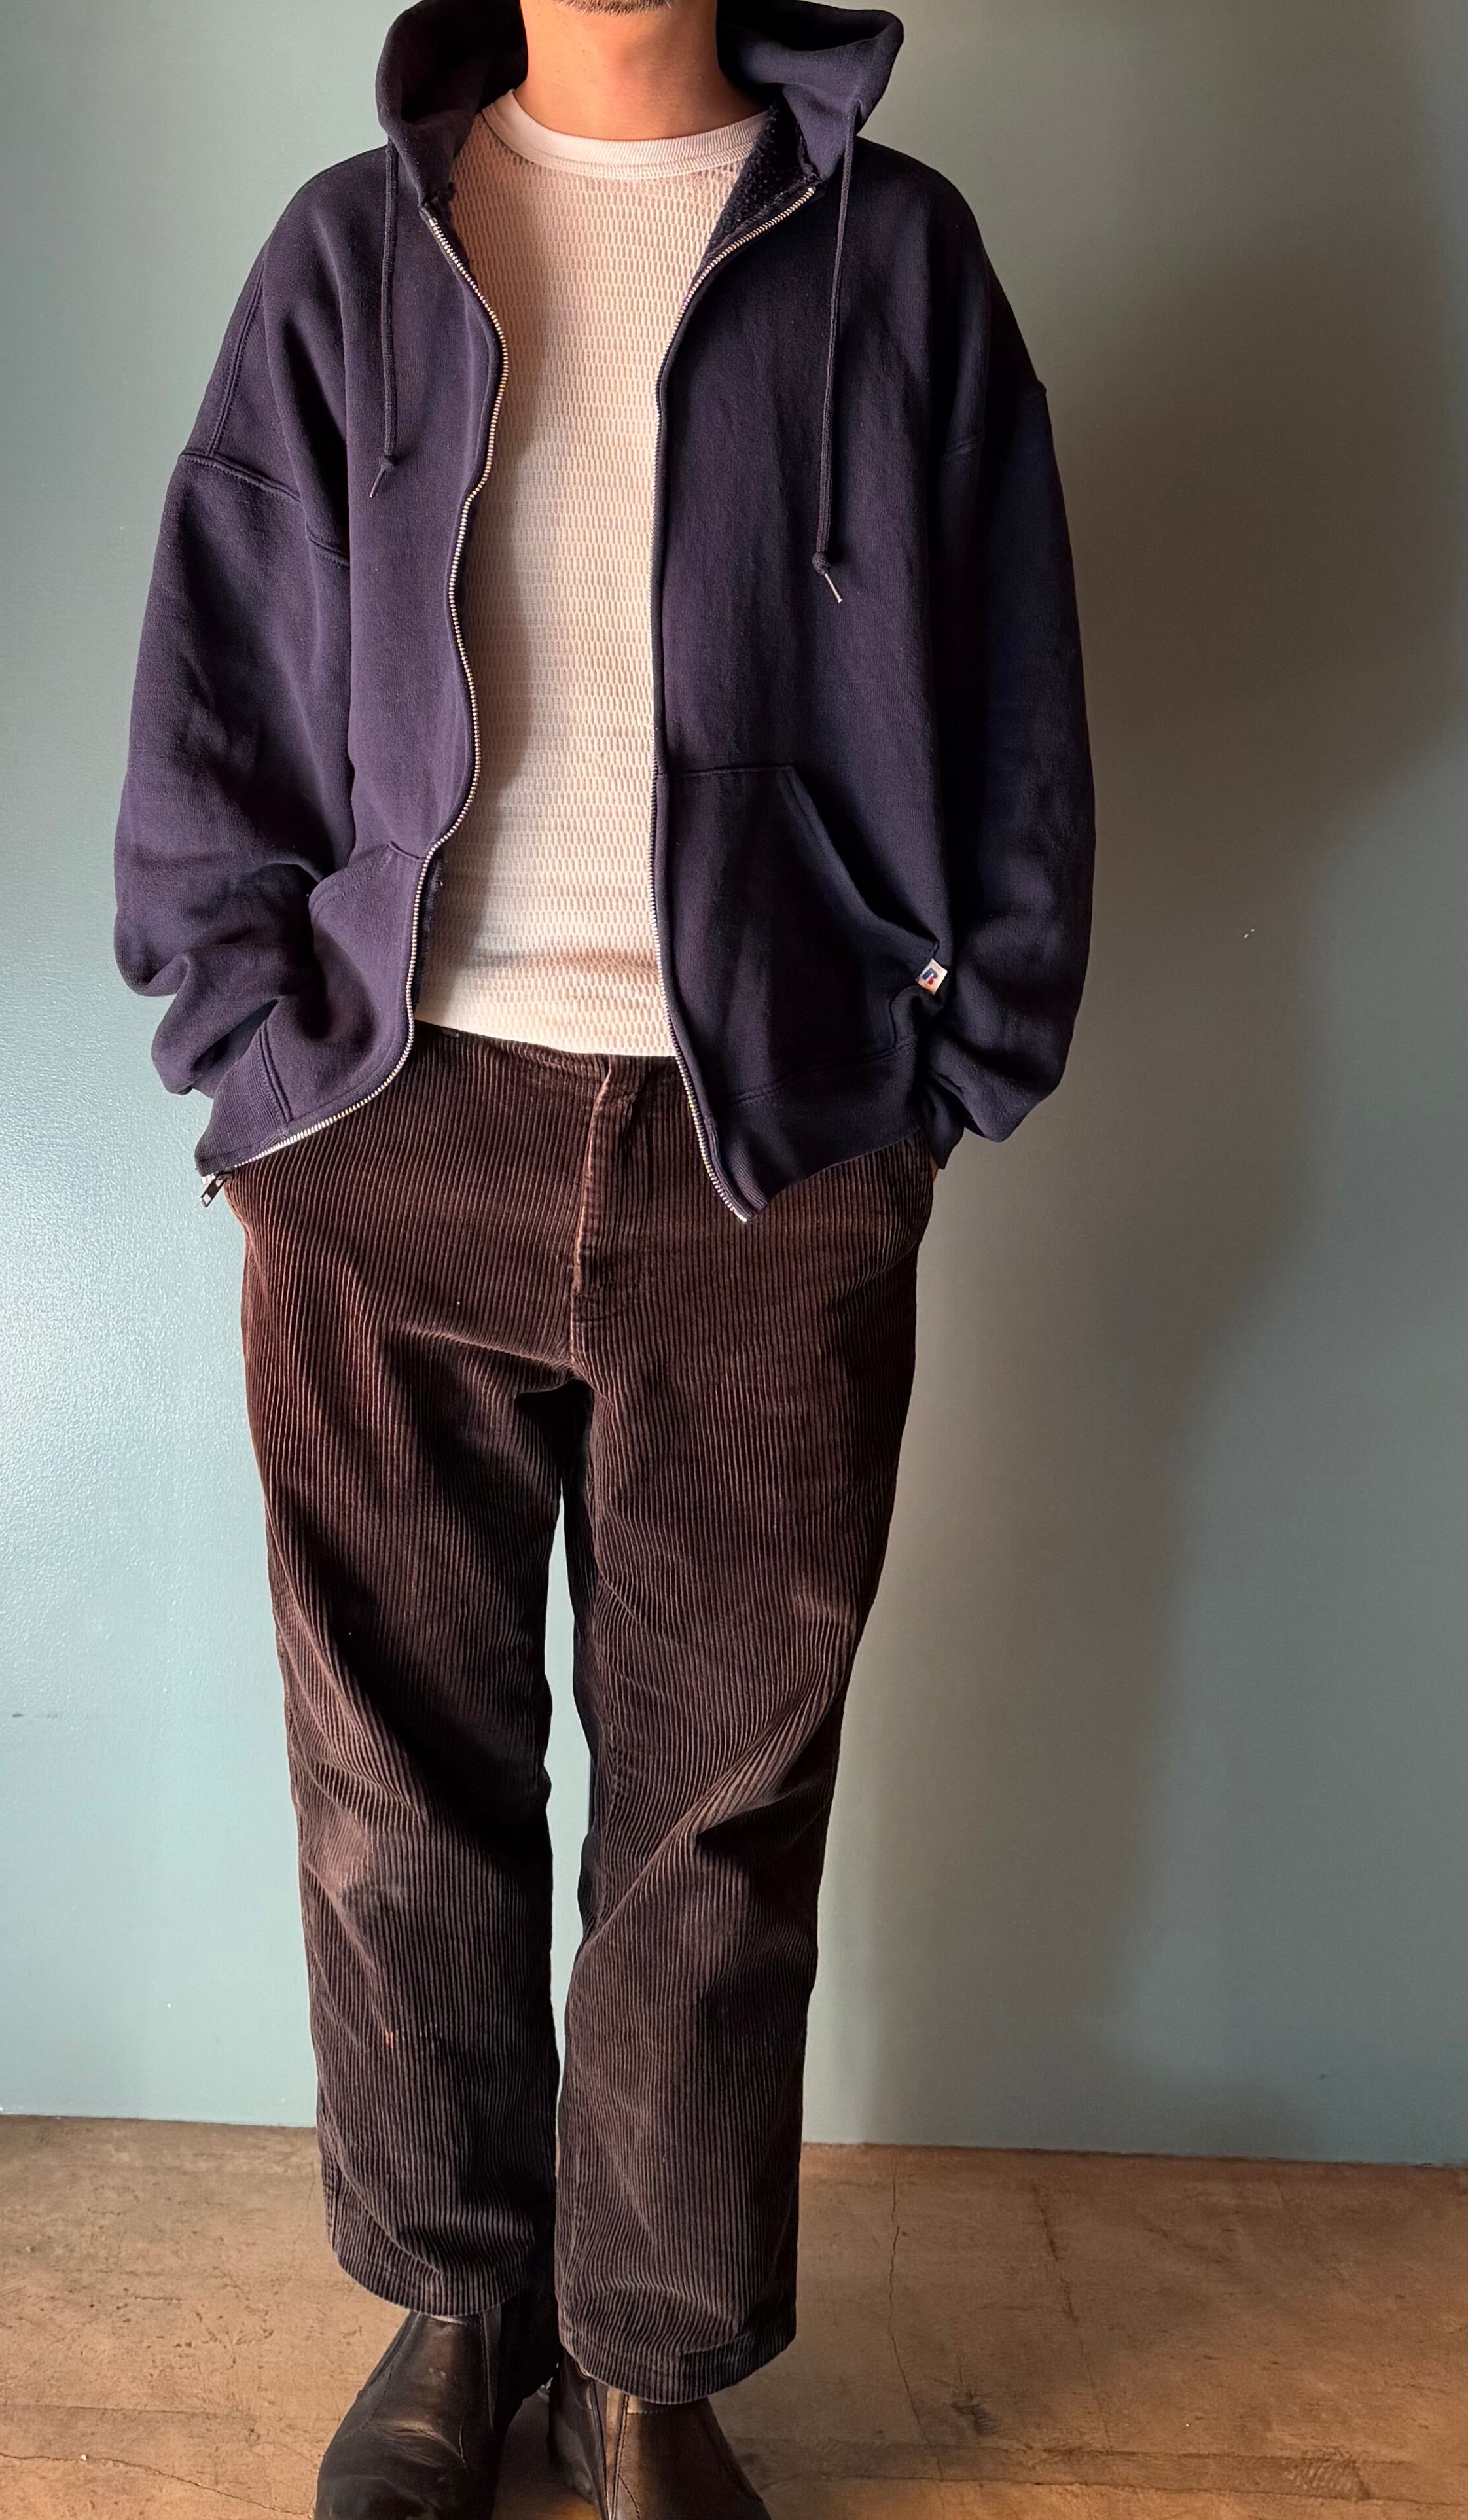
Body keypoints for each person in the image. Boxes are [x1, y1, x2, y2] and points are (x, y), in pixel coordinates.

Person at [112, 0, 1093, 2510]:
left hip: (770, 1151)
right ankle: (457, 2315)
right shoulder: (355, 256)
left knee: (719, 1807)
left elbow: (1011, 680)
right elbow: (218, 662)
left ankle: (649, 2362)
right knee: (389, 1778)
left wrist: (947, 1076)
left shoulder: (898, 257)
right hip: (391, 1125)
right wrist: (253, 1058)